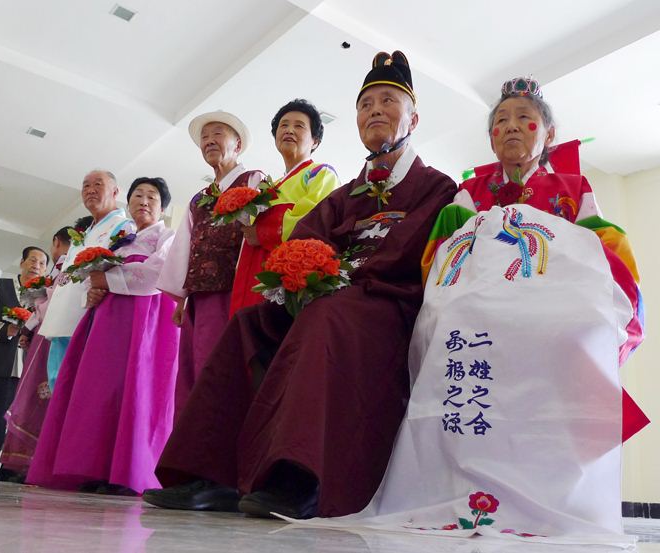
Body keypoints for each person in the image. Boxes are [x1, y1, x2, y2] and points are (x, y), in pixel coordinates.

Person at [295, 77, 644, 543]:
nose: (511, 126)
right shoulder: (469, 192)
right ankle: (457, 486)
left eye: (524, 118)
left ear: (549, 134)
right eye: (501, 120)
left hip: (550, 310)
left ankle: (553, 498)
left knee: (577, 338)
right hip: (478, 306)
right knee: (451, 334)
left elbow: (604, 254)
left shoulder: (573, 189)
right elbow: (439, 258)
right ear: (491, 137)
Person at [143, 51, 456, 519]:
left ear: (413, 118)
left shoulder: (437, 187)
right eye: (365, 104)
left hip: (386, 305)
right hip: (333, 297)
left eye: (388, 101)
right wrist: (307, 274)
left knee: (326, 315)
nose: (374, 110)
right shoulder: (346, 193)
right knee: (249, 323)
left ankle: (300, 476)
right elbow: (308, 237)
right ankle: (214, 474)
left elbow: (411, 250)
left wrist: (340, 278)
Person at [28, 177, 179, 495]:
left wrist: (108, 281)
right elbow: (91, 276)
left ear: (162, 207)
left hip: (145, 321)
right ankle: (96, 467)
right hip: (108, 320)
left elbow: (156, 274)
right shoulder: (120, 240)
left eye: (152, 197)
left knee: (136, 389)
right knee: (101, 389)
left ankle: (129, 472)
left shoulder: (166, 236)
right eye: (137, 195)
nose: (143, 201)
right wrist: (94, 288)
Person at [157, 111, 264, 415]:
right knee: (192, 373)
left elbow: (260, 232)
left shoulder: (253, 179)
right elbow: (185, 246)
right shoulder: (199, 198)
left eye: (218, 134)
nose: (209, 141)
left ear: (237, 145)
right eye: (204, 137)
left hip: (234, 291)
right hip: (198, 298)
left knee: (219, 369)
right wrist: (181, 298)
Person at [229, 99, 340, 315]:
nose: (289, 130)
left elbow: (316, 218)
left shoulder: (321, 173)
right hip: (256, 267)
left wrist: (262, 231)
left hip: (290, 273)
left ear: (315, 141)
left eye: (299, 126)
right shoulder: (271, 187)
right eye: (284, 125)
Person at [38, 171, 131, 391]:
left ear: (115, 192)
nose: (90, 190)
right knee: (58, 386)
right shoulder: (85, 233)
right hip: (63, 318)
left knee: (80, 388)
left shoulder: (123, 227)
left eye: (98, 184)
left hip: (89, 319)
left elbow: (124, 271)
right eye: (86, 186)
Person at [0, 226, 73, 482]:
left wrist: (29, 325)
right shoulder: (60, 270)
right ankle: (25, 463)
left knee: (37, 394)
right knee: (35, 394)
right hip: (47, 332)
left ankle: (30, 464)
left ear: (56, 243)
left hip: (51, 335)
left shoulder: (67, 266)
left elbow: (51, 303)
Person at [0, 248, 48, 480]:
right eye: (32, 260)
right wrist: (8, 329)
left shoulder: (45, 292)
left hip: (31, 362)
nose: (36, 266)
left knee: (24, 417)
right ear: (22, 262)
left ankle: (12, 469)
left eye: (42, 263)